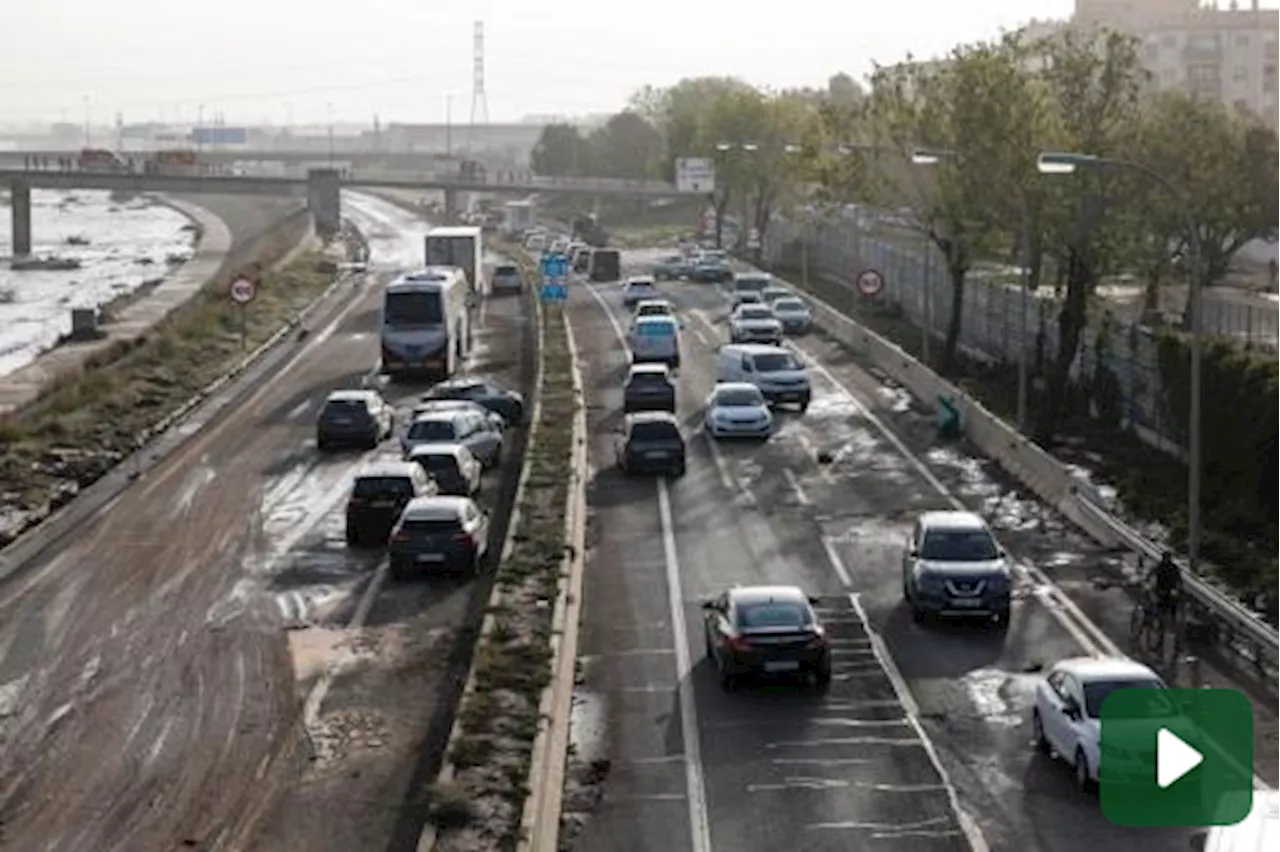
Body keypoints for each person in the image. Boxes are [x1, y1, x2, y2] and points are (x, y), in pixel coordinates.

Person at [1153, 551, 1181, 627]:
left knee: (1173, 602)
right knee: (1159, 602)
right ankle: (1158, 618)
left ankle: (1172, 618)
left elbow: (1178, 578)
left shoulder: (1173, 567)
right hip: (1161, 588)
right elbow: (1153, 572)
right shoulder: (1160, 566)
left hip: (1169, 588)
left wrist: (1177, 588)